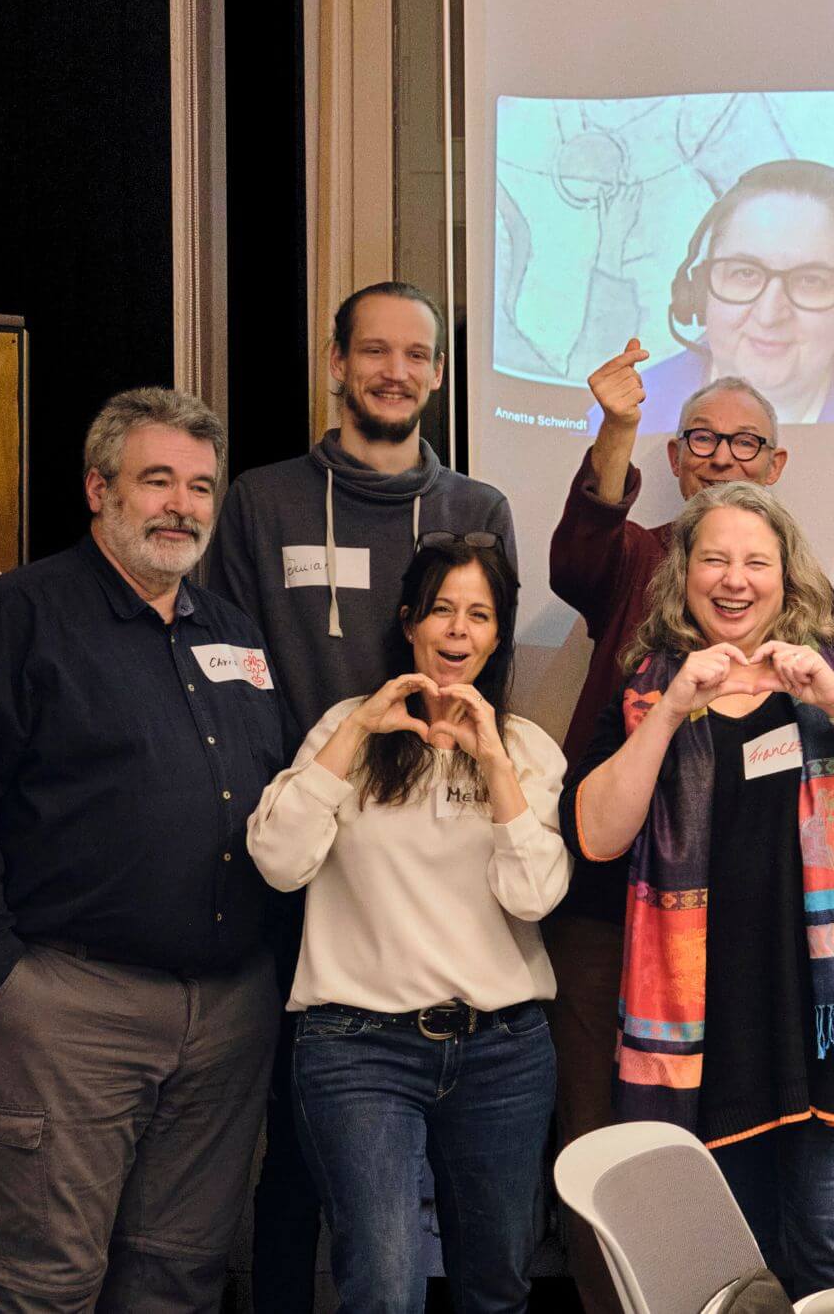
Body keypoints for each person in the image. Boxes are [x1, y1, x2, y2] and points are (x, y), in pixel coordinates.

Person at [203, 279, 516, 1310]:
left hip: (428, 869)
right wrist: (307, 790)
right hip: (298, 853)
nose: (394, 371)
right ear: (335, 363)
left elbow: (492, 674)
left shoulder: (476, 510)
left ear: (436, 372)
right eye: (372, 351)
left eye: (415, 354)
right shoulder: (261, 500)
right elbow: (228, 667)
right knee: (297, 1145)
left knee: (441, 1210)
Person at [562, 482, 834, 1299]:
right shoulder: (645, 686)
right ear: (684, 576)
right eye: (715, 559)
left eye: (756, 562)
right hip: (705, 1039)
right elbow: (596, 833)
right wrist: (669, 712)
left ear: (787, 577)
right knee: (720, 1279)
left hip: (831, 1025)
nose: (735, 580)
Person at [0, 389, 282, 1310]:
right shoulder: (21, 613)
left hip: (228, 1015)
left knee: (180, 1274)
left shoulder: (231, 628)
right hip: (72, 1011)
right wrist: (5, 979)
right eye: (157, 480)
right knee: (45, 1279)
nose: (181, 506)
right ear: (97, 487)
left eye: (200, 486)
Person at [247, 538, 568, 1310]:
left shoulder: (524, 748)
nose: (458, 631)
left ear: (498, 636)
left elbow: (534, 895)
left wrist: (492, 760)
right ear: (409, 623)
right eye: (442, 610)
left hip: (502, 1050)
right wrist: (360, 729)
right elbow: (278, 861)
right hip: (358, 1049)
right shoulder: (343, 728)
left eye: (480, 615)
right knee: (384, 1285)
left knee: (496, 1285)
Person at [548, 361, 787, 1313]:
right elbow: (573, 558)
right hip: (609, 902)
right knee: (604, 1143)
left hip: (728, 919)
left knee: (723, 1145)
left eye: (744, 443)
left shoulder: (792, 590)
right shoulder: (640, 556)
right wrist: (613, 429)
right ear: (677, 460)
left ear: (775, 464)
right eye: (701, 439)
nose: (722, 457)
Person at [584, 159, 834, 430]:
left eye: (811, 281)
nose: (770, 315)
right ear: (699, 291)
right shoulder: (623, 420)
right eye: (744, 274)